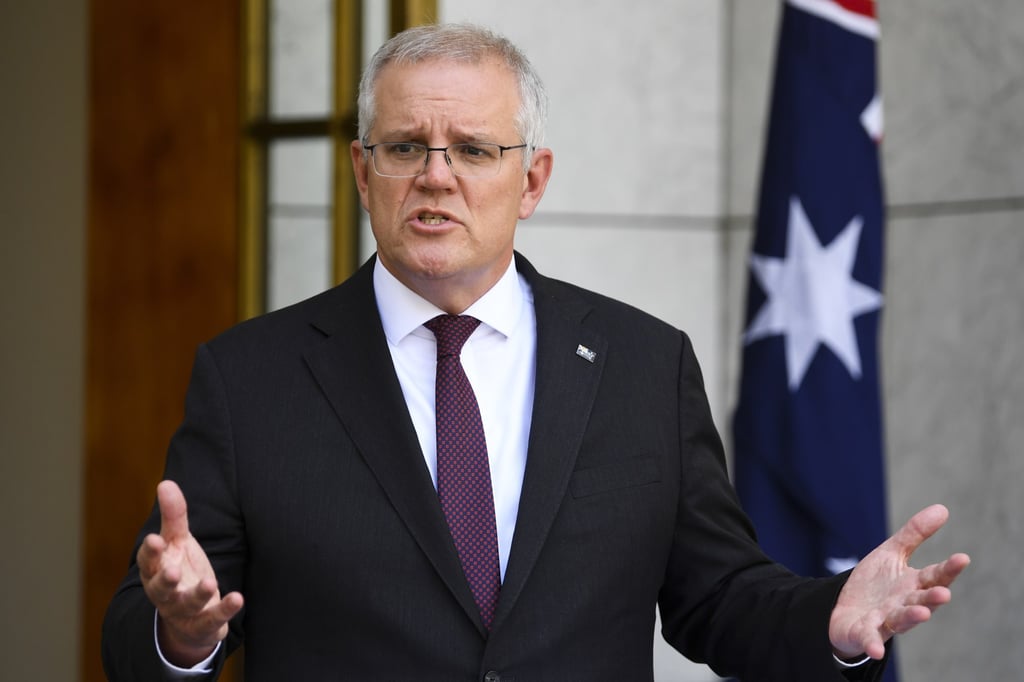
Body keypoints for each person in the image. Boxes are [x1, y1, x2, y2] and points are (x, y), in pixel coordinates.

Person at [102, 23, 969, 682]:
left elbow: (716, 598)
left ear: (533, 181)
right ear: (364, 173)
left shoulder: (642, 365)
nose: (436, 175)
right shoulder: (251, 376)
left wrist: (830, 615)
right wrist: (183, 632)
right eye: (406, 147)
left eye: (474, 150)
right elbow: (141, 631)